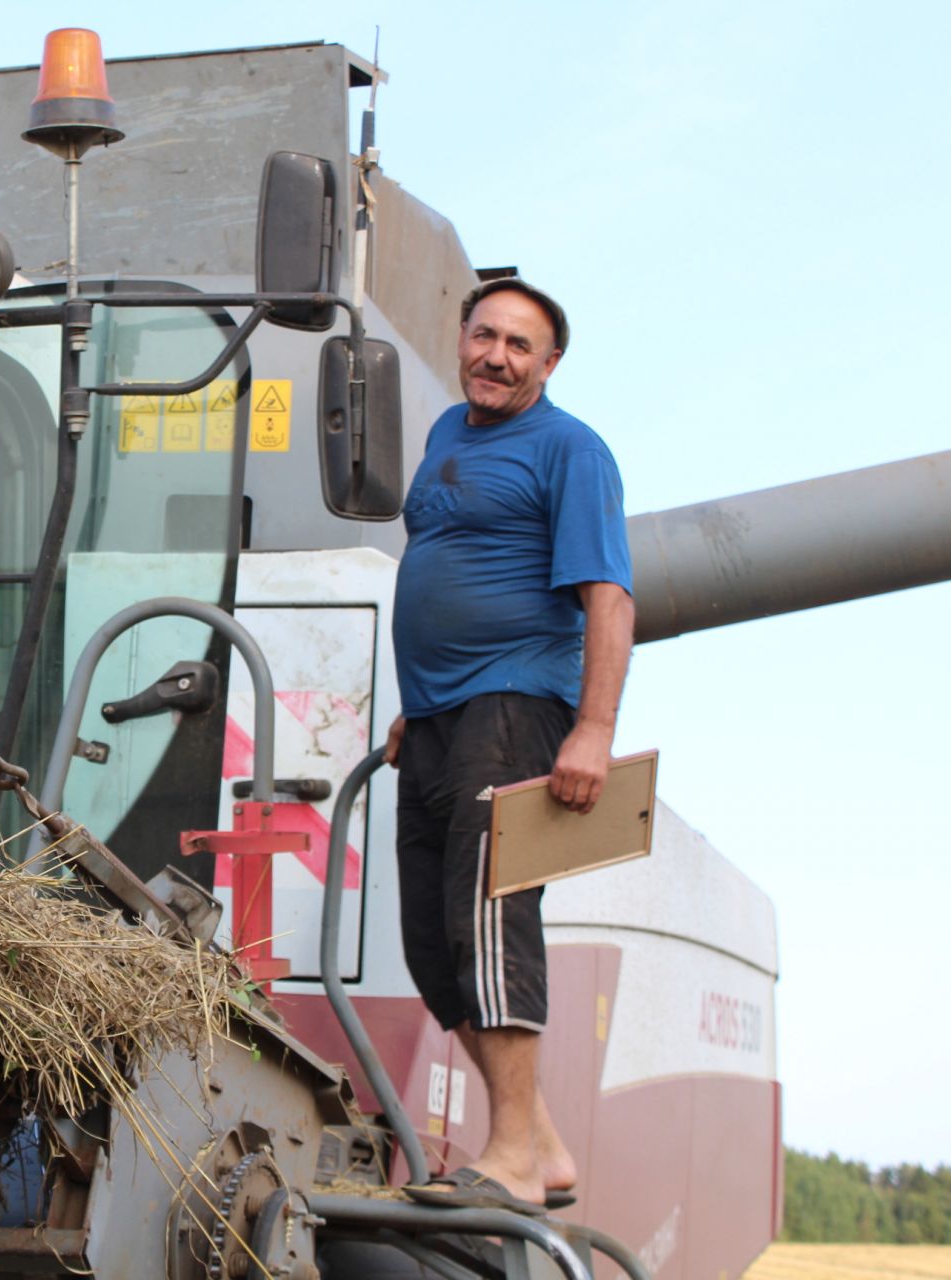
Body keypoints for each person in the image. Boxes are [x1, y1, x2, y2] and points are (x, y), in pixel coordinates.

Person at [386, 278, 634, 1214]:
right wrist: (419, 706)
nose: (496, 356)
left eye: (519, 346)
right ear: (461, 338)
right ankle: (544, 1143)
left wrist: (593, 730)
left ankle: (515, 1156)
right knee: (430, 939)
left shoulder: (572, 449)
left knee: (487, 918)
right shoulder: (450, 430)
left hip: (516, 704)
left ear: (550, 364)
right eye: (484, 335)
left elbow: (608, 598)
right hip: (441, 717)